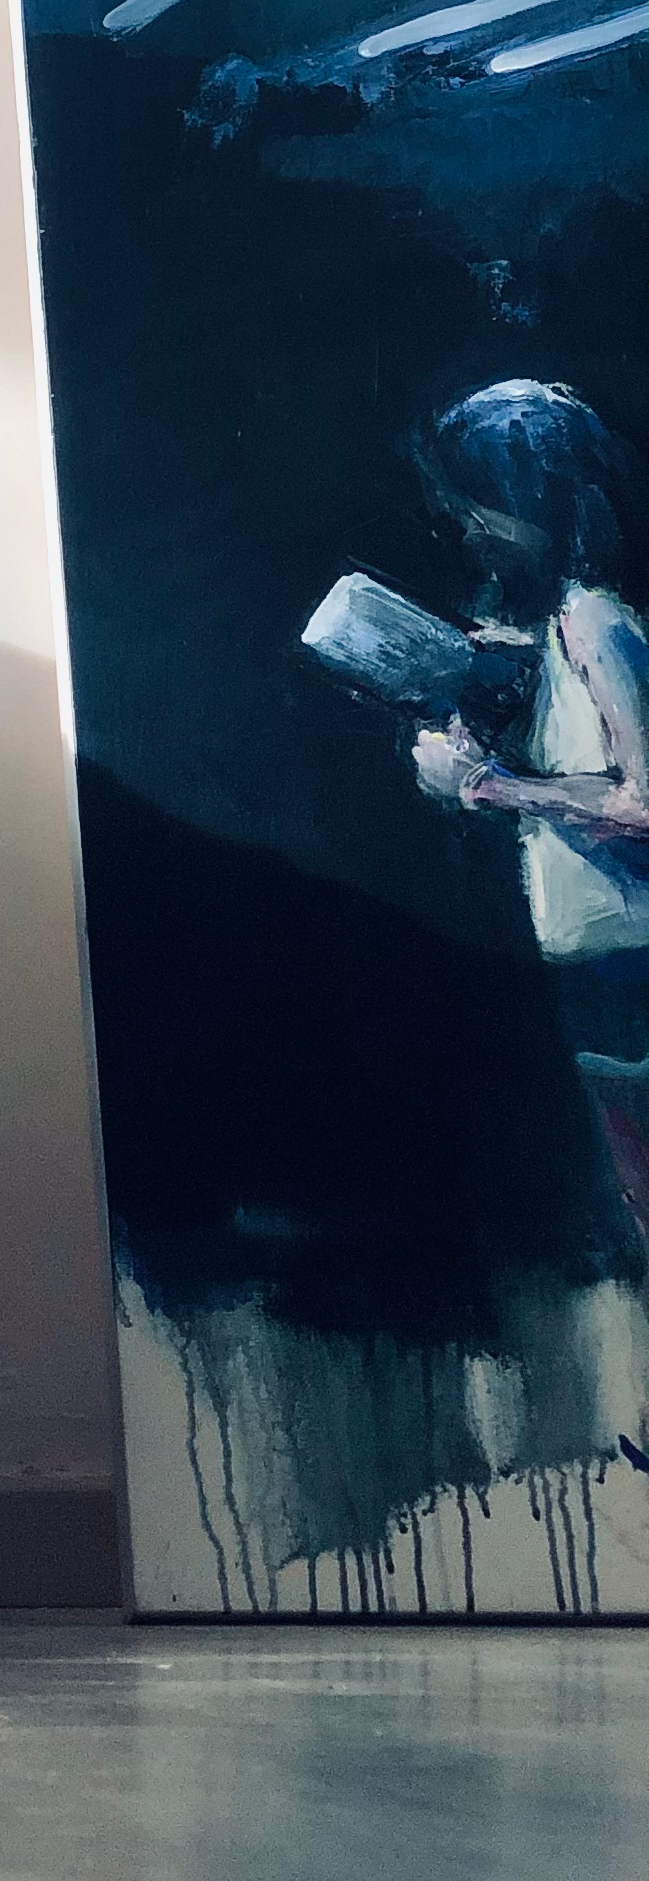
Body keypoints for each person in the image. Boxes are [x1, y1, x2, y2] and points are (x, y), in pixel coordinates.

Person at [407, 381, 649, 1251]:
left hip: (634, 955)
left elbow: (642, 798)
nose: (466, 527)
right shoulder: (543, 628)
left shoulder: (595, 620)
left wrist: (492, 785)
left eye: (480, 504)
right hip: (591, 957)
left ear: (529, 499)